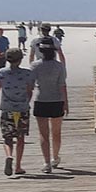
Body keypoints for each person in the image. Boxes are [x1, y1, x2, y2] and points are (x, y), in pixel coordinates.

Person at [0, 48, 33, 176]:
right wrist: (26, 101)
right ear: (20, 59)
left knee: (7, 138)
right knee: (20, 137)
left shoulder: (1, 73)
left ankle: (9, 156)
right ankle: (18, 166)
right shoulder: (27, 73)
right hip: (22, 109)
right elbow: (29, 91)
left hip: (7, 108)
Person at [30, 39, 68, 173]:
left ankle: (46, 162)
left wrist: (26, 100)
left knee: (43, 134)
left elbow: (30, 84)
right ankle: (55, 157)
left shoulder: (35, 65)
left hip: (41, 100)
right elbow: (62, 85)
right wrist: (66, 103)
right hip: (57, 100)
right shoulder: (59, 66)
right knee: (56, 132)